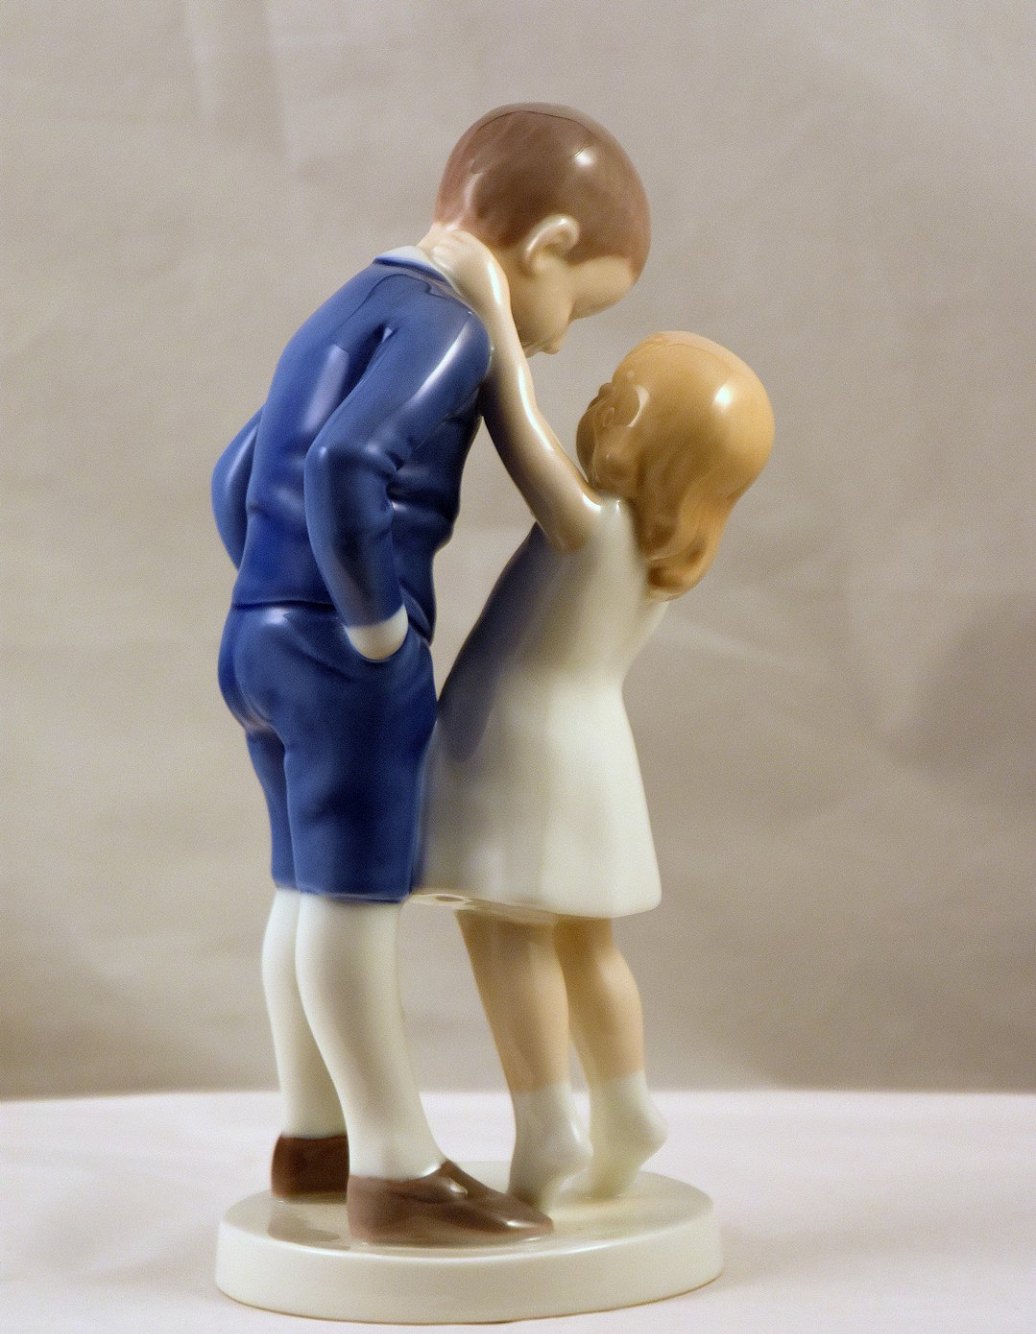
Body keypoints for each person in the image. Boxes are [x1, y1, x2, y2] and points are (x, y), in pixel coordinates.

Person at [211, 104, 649, 1245]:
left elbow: (239, 468)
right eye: (578, 307)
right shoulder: (450, 328)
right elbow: (350, 460)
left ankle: (313, 1139)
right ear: (547, 246)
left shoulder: (350, 300)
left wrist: (270, 589)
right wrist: (370, 629)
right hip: (341, 653)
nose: (560, 339)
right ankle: (395, 1170)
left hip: (257, 640)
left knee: (299, 886)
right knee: (352, 903)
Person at [417, 257, 774, 1209]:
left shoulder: (595, 524)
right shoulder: (660, 557)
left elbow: (519, 428)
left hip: (523, 748)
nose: (599, 403)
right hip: (592, 754)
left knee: (506, 932)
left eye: (622, 402)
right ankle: (626, 1106)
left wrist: (491, 315)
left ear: (654, 454)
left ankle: (548, 1126)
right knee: (586, 940)